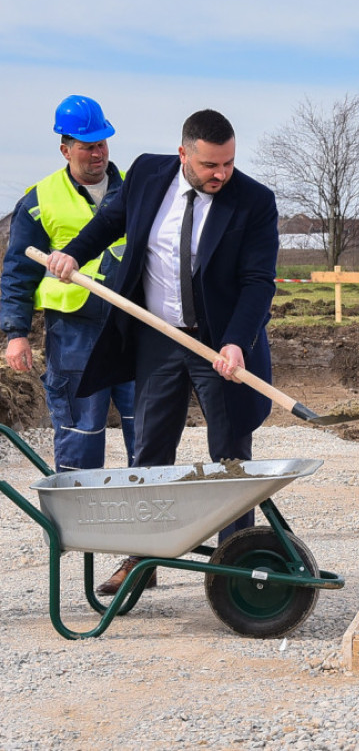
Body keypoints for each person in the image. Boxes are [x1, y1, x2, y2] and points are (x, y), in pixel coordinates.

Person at [47, 109, 280, 596]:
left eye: (229, 163)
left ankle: (230, 569)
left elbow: (258, 282)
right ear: (183, 155)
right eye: (210, 165)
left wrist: (237, 342)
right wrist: (72, 253)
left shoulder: (254, 201)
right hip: (158, 336)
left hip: (220, 342)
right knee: (149, 449)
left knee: (230, 454)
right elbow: (111, 221)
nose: (221, 174)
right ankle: (142, 560)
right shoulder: (149, 174)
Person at [1, 95, 136, 473]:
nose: (98, 154)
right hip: (75, 333)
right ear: (65, 149)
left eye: (102, 144)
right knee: (81, 432)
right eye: (87, 146)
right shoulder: (39, 201)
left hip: (132, 328)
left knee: (148, 433)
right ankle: (78, 528)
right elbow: (18, 271)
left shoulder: (135, 193)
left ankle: (148, 526)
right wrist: (16, 333)